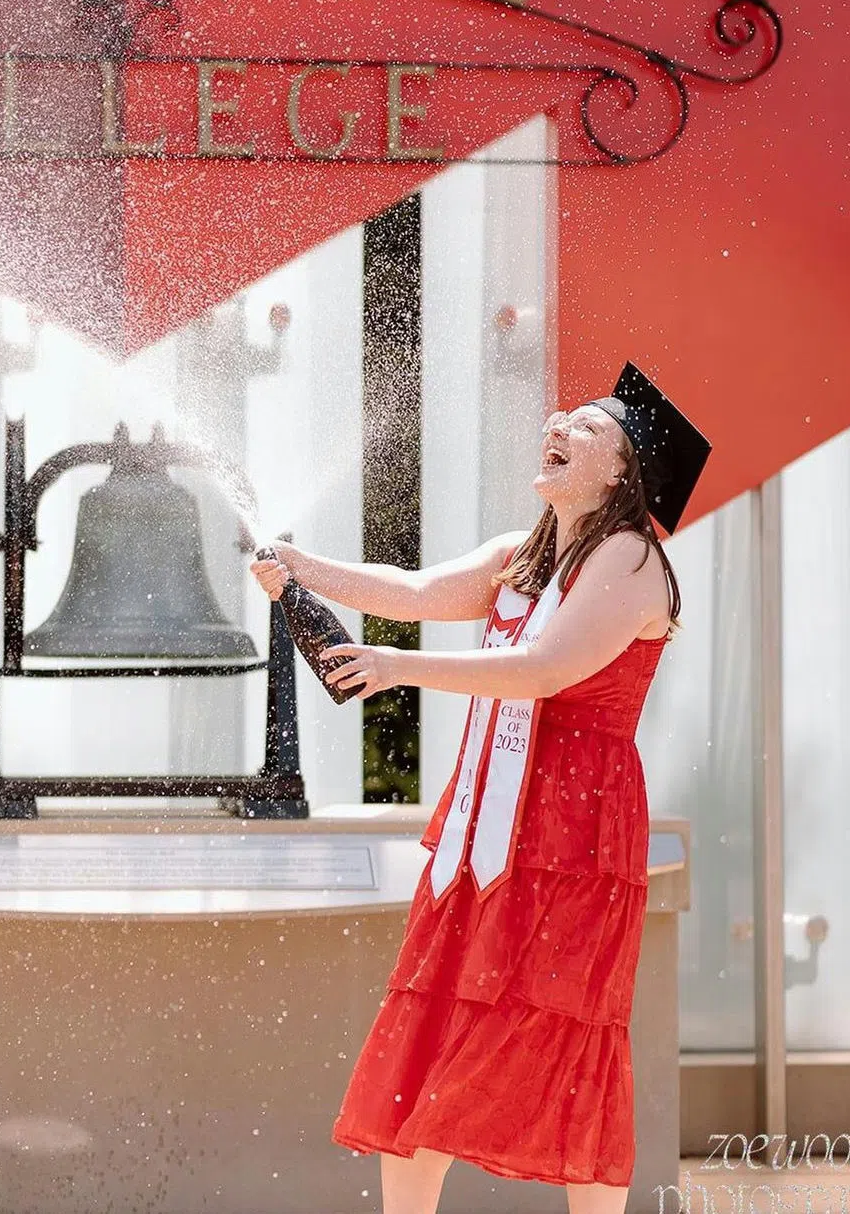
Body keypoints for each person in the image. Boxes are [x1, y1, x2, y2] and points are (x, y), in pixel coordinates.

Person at [250, 363, 710, 1214]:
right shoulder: (524, 553)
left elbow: (543, 671)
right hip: (482, 834)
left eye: (587, 425)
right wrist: (300, 566)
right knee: (430, 1032)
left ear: (623, 471)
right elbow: (417, 592)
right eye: (560, 416)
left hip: (574, 836)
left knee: (563, 1031)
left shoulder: (632, 556)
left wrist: (394, 668)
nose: (558, 424)